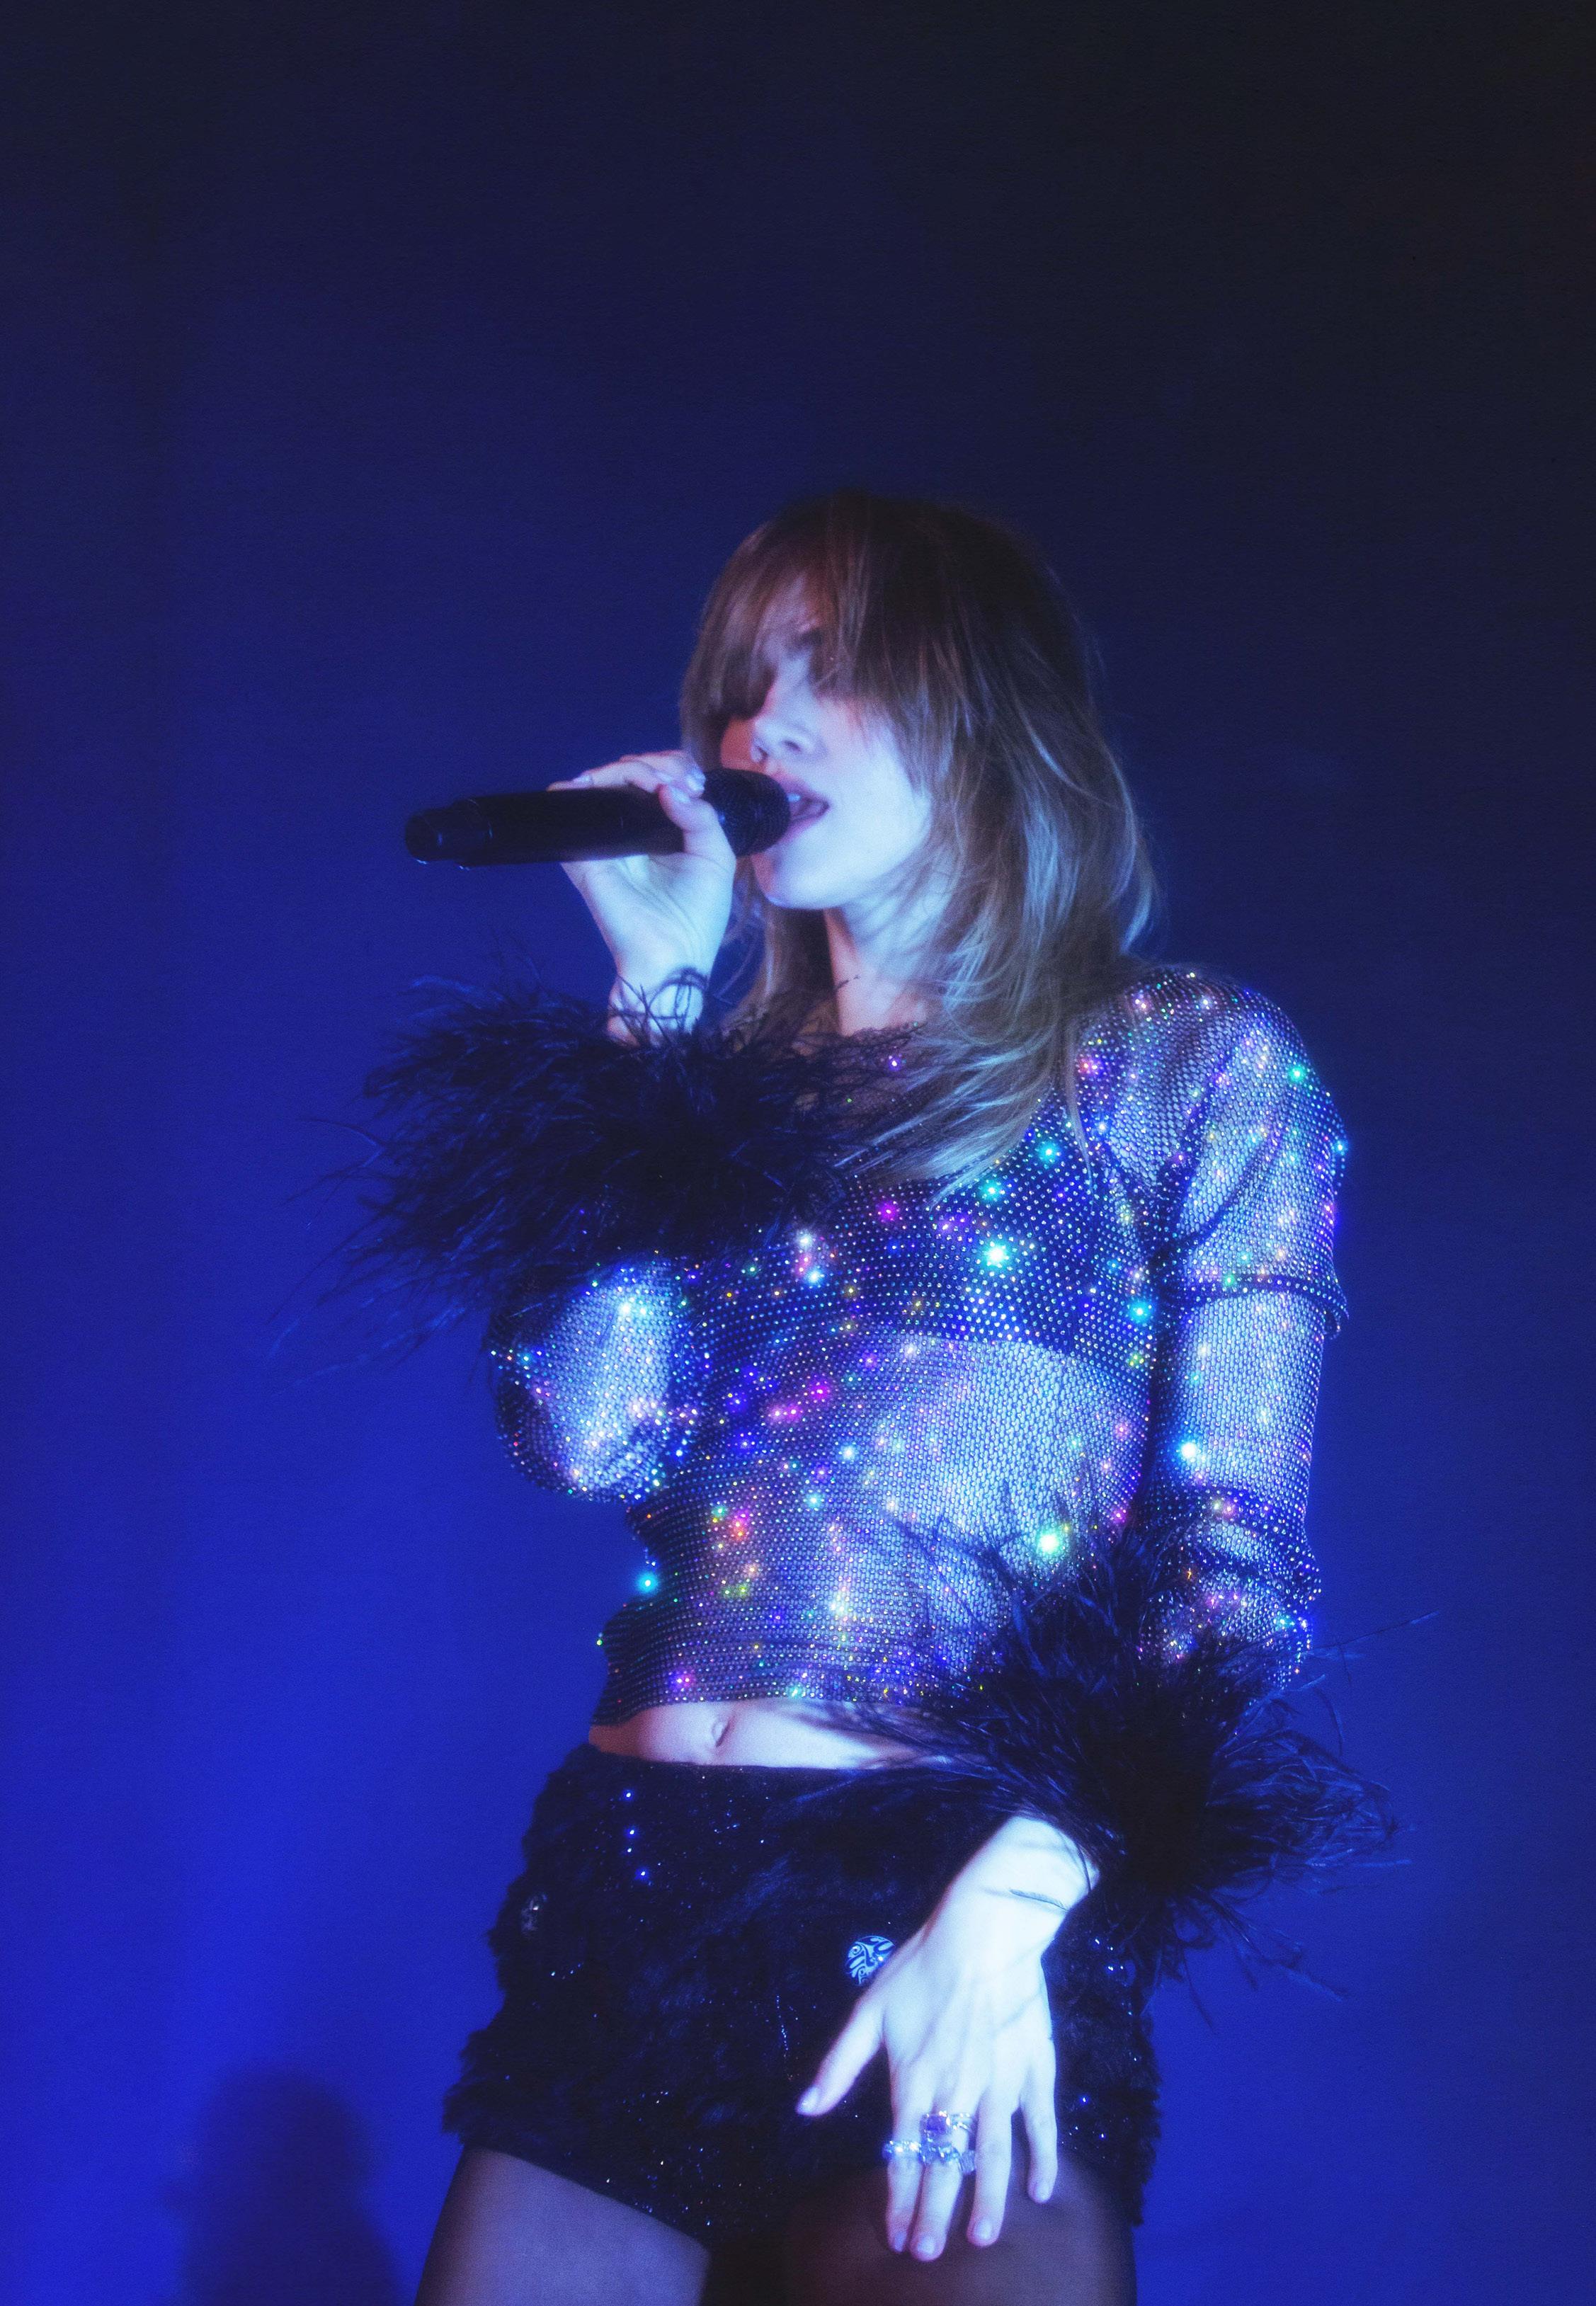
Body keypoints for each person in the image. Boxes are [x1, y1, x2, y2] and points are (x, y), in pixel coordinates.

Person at [358, 491, 1389, 2304]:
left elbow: (1231, 1575)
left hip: (950, 1890)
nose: (758, 730)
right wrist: (655, 1002)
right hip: (631, 1892)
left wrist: (1015, 1903)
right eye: (739, 686)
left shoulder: (1177, 1065)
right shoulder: (721, 1094)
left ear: (980, 705)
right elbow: (580, 1433)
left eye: (827, 671)